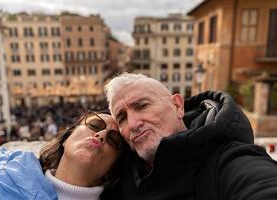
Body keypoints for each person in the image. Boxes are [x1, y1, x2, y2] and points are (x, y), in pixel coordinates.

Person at [103, 73, 277, 200]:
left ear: (178, 106)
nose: (133, 124)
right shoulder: (116, 180)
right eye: (122, 118)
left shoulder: (228, 161)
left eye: (142, 106)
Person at [0, 112, 125, 200]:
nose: (102, 135)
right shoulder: (11, 161)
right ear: (67, 138)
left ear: (112, 169)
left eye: (113, 140)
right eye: (94, 125)